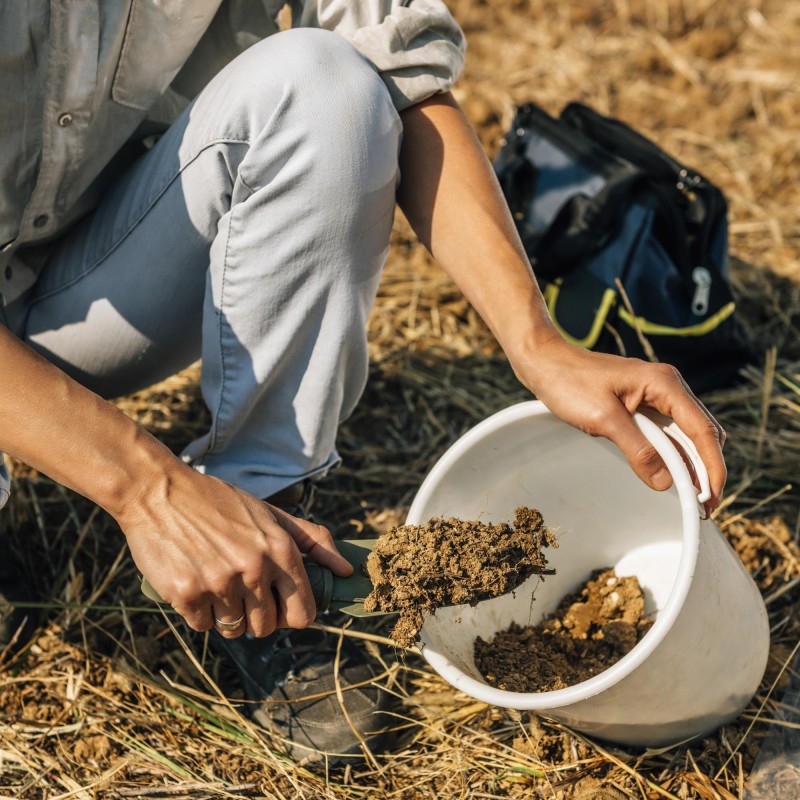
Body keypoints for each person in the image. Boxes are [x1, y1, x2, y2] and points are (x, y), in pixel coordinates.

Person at [0, 0, 725, 764]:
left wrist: (537, 343)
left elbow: (397, 72)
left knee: (321, 82)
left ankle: (261, 537)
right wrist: (150, 488)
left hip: (91, 273)